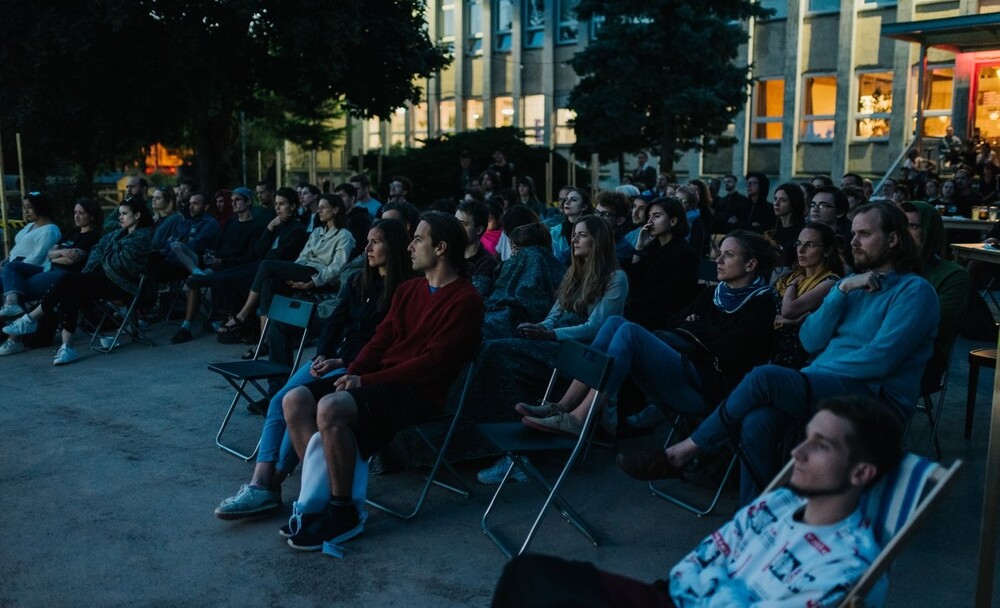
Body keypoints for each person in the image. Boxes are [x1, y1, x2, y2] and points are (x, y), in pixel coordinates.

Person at [619, 202, 939, 505]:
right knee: (757, 421)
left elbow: (880, 359)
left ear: (893, 239)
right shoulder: (852, 287)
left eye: (865, 234)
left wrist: (814, 373)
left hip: (875, 398)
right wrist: (841, 290)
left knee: (765, 378)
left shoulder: (915, 291)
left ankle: (680, 454)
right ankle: (755, 516)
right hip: (828, 386)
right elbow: (810, 340)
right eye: (853, 233)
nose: (854, 241)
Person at [492, 396, 903, 608]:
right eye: (806, 438)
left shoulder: (849, 566)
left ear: (861, 473)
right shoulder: (778, 503)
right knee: (528, 577)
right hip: (675, 596)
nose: (798, 452)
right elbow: (706, 557)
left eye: (821, 446)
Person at [278, 212, 483, 550]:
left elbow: (431, 365)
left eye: (418, 239)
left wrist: (365, 380)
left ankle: (343, 512)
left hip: (418, 392)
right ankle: (318, 501)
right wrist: (353, 372)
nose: (410, 246)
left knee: (330, 408)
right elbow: (380, 340)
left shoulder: (466, 301)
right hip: (382, 382)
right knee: (295, 400)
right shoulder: (408, 290)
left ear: (441, 248)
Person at [213, 219, 416, 519]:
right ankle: (260, 482)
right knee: (278, 402)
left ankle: (272, 486)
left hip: (357, 366)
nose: (367, 248)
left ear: (394, 246)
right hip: (332, 358)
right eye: (368, 241)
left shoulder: (403, 291)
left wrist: (341, 361)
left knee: (296, 404)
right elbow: (335, 322)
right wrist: (322, 354)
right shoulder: (359, 281)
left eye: (376, 242)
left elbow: (382, 342)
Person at [518, 230, 775, 439]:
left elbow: (728, 351)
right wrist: (701, 329)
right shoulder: (712, 293)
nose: (718, 260)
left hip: (705, 386)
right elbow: (674, 321)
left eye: (729, 255)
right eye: (719, 253)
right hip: (683, 361)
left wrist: (696, 327)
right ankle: (562, 406)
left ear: (751, 264)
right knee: (614, 322)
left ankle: (579, 418)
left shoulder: (761, 305)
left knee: (629, 331)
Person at [473, 215, 629, 480]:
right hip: (554, 341)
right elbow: (554, 314)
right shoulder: (573, 273)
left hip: (579, 350)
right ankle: (502, 446)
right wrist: (538, 328)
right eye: (574, 234)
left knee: (499, 353)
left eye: (582, 235)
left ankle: (516, 454)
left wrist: (550, 334)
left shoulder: (616, 278)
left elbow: (596, 328)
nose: (574, 239)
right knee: (490, 347)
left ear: (598, 241)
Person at [3, 199, 153, 365]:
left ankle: (30, 319)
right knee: (69, 289)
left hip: (121, 284)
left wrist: (105, 255)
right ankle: (66, 347)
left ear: (137, 215)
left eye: (124, 214)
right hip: (102, 279)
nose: (120, 217)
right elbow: (97, 251)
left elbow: (122, 264)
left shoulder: (142, 237)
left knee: (68, 279)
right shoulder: (117, 234)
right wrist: (106, 255)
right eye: (119, 213)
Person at [215, 192, 355, 345]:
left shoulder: (344, 235)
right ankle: (265, 340)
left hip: (320, 276)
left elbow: (337, 267)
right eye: (319, 207)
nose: (319, 210)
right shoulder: (317, 232)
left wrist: (313, 282)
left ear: (335, 210)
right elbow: (302, 257)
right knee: (269, 282)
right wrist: (292, 273)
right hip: (304, 270)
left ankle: (242, 314)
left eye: (323, 207)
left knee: (266, 265)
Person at [170, 188, 304, 344]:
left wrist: (264, 244)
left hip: (270, 269)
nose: (277, 208)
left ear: (292, 206)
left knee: (226, 279)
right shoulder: (276, 225)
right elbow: (259, 249)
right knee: (218, 278)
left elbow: (274, 255)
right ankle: (232, 319)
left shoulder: (296, 229)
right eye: (276, 204)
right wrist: (270, 227)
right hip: (258, 265)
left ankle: (241, 319)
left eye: (281, 204)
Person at [901, 201, 970, 393]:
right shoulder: (888, 266)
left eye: (913, 226)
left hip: (924, 358)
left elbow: (934, 327)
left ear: (929, 232)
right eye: (901, 226)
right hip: (877, 350)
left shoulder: (953, 275)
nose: (904, 232)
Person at [0, 198, 103, 323]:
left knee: (15, 286)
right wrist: (62, 253)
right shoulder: (74, 232)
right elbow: (50, 254)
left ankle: (17, 328)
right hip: (48, 268)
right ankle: (11, 306)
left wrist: (56, 256)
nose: (76, 216)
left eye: (81, 213)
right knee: (11, 267)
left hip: (64, 275)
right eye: (75, 212)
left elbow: (70, 261)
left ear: (91, 216)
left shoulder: (92, 236)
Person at [773, 223, 844, 369]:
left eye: (810, 245)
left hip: (798, 356)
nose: (801, 250)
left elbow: (788, 310)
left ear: (827, 251)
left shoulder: (830, 282)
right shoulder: (791, 276)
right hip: (773, 347)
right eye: (799, 244)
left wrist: (792, 286)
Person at [624, 197, 698, 330]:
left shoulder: (685, 254)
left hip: (661, 319)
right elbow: (632, 281)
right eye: (649, 217)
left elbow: (665, 297)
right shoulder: (652, 247)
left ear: (673, 221)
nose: (649, 221)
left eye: (656, 216)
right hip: (640, 310)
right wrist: (639, 248)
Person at [2, 192, 61, 269]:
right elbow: (17, 246)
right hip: (12, 263)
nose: (26, 211)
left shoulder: (50, 230)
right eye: (24, 207)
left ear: (40, 207)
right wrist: (5, 262)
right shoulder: (30, 225)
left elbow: (39, 256)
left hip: (27, 267)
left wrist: (14, 267)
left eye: (30, 207)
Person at [455, 199, 498, 296]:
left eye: (463, 224)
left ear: (478, 230)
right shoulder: (450, 255)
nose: (456, 227)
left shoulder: (487, 263)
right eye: (455, 222)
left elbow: (473, 297)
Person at [767, 182, 806, 268]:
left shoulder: (802, 233)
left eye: (782, 200)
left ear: (793, 203)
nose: (776, 203)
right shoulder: (773, 232)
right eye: (775, 199)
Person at [550, 186, 593, 265]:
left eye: (573, 200)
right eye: (566, 199)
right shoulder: (555, 231)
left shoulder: (592, 229)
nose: (567, 202)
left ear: (584, 206)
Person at [149, 186, 184, 251]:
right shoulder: (155, 218)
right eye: (153, 197)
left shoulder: (177, 218)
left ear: (168, 201)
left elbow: (176, 240)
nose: (153, 200)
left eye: (158, 198)